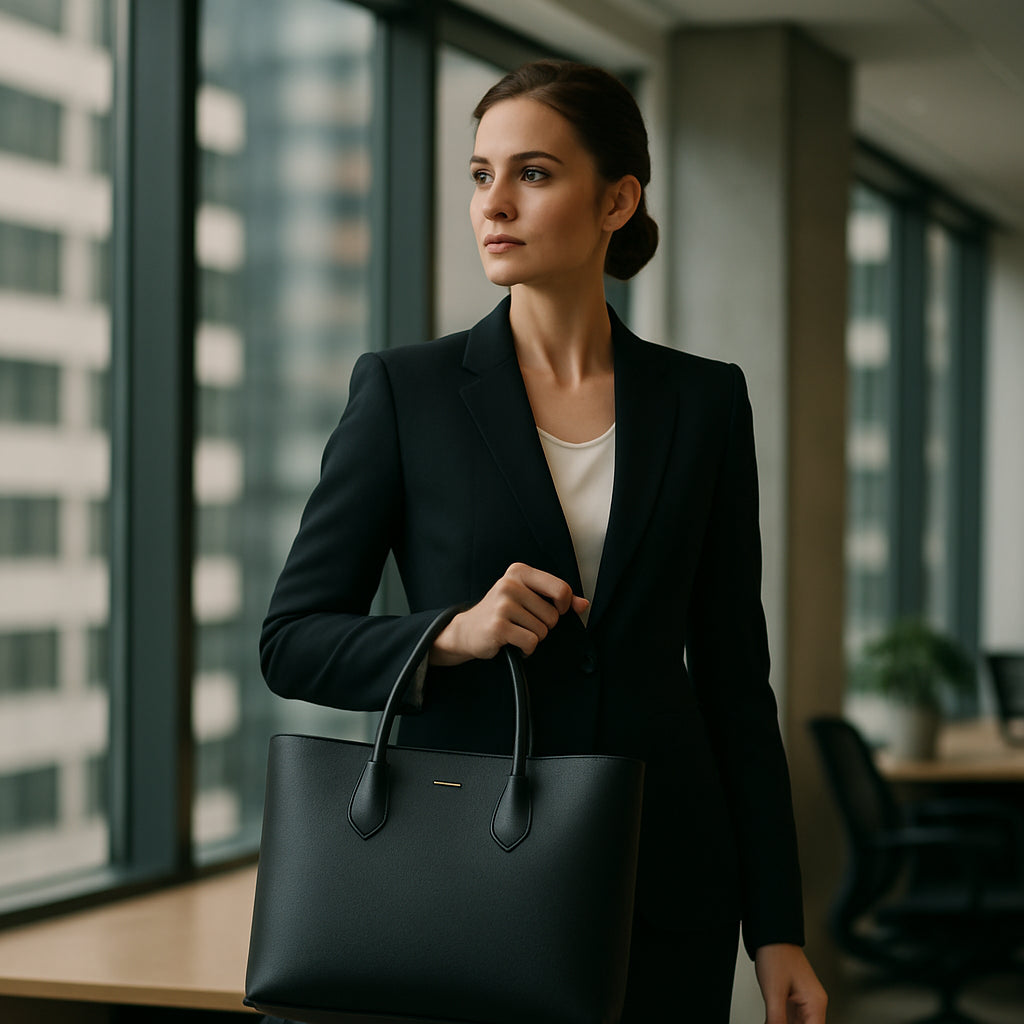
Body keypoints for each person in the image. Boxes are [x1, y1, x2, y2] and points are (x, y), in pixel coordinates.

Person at [261, 59, 827, 1023]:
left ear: (617, 198)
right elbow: (292, 639)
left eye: (532, 173)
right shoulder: (408, 393)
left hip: (667, 880)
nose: (496, 204)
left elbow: (735, 682)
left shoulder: (705, 400)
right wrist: (452, 632)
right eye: (482, 175)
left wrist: (776, 930)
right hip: (471, 875)